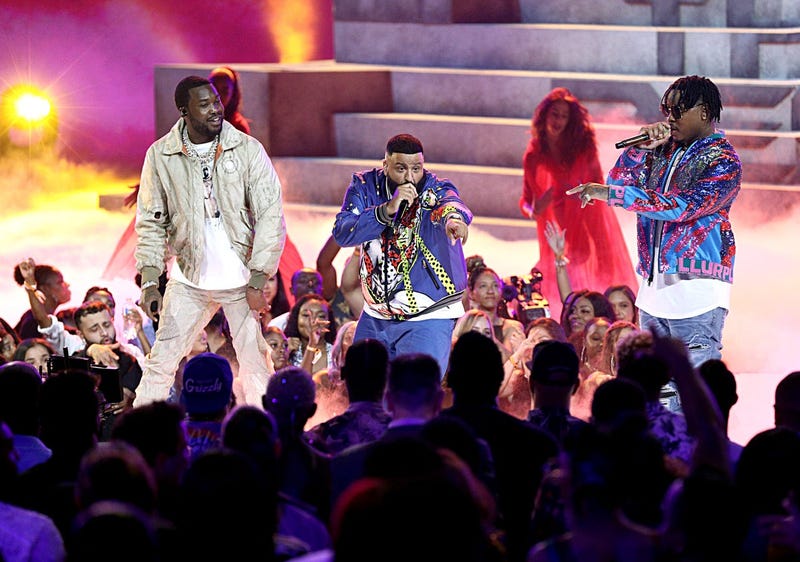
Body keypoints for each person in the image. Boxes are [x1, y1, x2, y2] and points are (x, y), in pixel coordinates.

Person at [567, 75, 742, 369]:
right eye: (667, 111)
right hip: (652, 294)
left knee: (693, 386)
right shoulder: (660, 150)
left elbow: (681, 207)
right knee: (654, 388)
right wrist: (639, 150)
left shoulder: (724, 160)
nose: (670, 118)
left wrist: (612, 194)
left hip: (696, 294)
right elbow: (618, 184)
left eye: (678, 111)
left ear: (703, 112)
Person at [133, 75, 286, 408]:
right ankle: (140, 427)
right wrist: (150, 281)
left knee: (256, 362)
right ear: (184, 111)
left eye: (216, 101)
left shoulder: (246, 149)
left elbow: (271, 215)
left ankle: (264, 426)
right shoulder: (161, 155)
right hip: (189, 279)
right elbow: (151, 221)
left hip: (240, 279)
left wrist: (258, 278)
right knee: (162, 359)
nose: (216, 109)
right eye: (204, 105)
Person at [332, 133, 471, 379]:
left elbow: (450, 203)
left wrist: (454, 220)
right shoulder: (365, 186)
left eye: (416, 168)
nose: (410, 177)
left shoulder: (435, 188)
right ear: (385, 165)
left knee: (415, 392)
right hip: (376, 315)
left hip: (428, 315)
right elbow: (343, 232)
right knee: (363, 388)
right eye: (401, 169)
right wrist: (386, 209)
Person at [520, 87, 636, 318]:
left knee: (598, 270)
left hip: (588, 219)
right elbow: (526, 202)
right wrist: (535, 209)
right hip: (557, 226)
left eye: (564, 116)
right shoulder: (534, 154)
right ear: (545, 116)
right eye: (555, 114)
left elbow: (598, 185)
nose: (558, 120)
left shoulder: (582, 146)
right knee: (562, 276)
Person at [208, 65, 250, 134]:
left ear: (233, 94)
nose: (218, 95)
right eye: (214, 89)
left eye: (224, 91)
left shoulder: (238, 127)